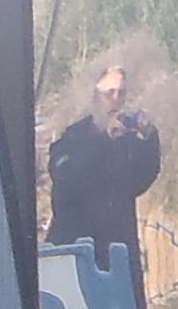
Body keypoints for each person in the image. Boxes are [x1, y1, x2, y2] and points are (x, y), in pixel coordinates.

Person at [46, 67, 164, 264]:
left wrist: (150, 137)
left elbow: (143, 179)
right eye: (109, 93)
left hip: (119, 253)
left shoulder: (126, 140)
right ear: (96, 97)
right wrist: (103, 138)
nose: (116, 99)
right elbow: (68, 180)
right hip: (78, 253)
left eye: (121, 93)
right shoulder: (73, 137)